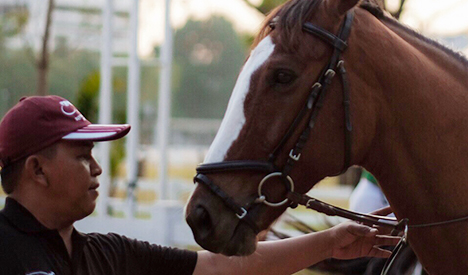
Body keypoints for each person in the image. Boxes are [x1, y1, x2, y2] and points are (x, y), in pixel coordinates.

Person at [0, 95, 396, 275]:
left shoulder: (107, 253)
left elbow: (221, 266)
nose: (97, 168)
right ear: (37, 170)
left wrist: (331, 242)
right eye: (82, 156)